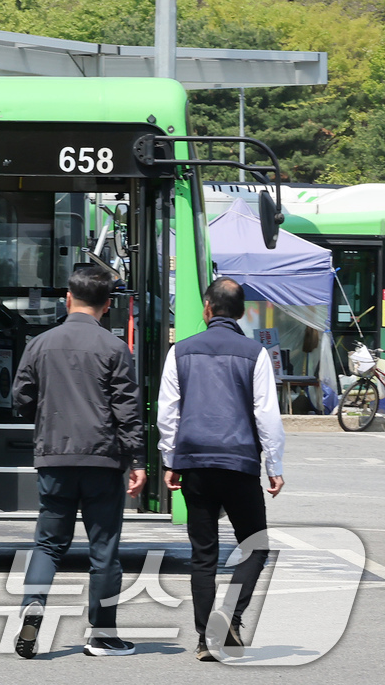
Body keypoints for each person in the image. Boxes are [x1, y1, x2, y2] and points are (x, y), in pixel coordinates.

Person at [12, 265, 146, 659]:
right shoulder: (114, 348)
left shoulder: (40, 344)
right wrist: (137, 459)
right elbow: (127, 409)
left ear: (68, 299)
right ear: (107, 306)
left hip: (53, 458)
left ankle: (32, 605)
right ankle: (102, 636)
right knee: (104, 549)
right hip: (104, 461)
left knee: (48, 544)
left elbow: (20, 399)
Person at [157, 277, 285, 662]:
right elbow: (267, 415)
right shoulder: (254, 353)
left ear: (207, 309)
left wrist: (170, 459)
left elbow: (168, 412)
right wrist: (273, 465)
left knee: (203, 555)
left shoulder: (180, 351)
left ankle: (204, 639)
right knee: (255, 545)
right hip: (240, 463)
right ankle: (230, 615)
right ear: (242, 311)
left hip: (195, 462)